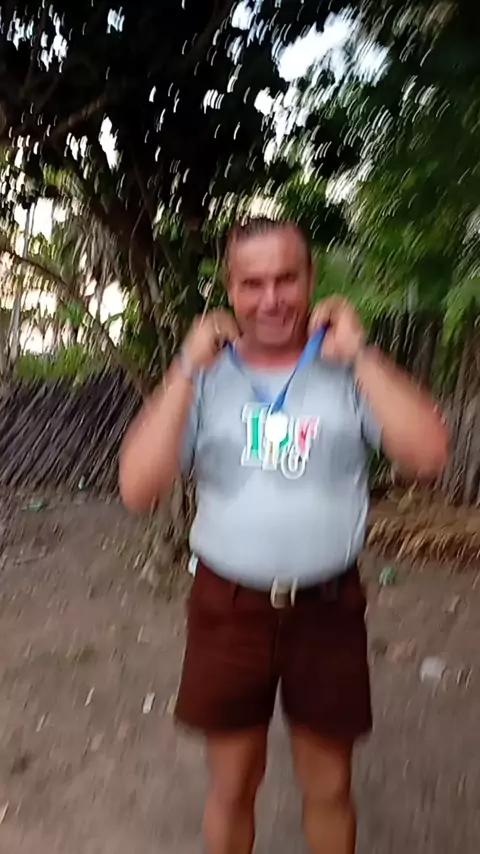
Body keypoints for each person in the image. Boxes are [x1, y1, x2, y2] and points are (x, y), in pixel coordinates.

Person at [119, 217, 448, 854]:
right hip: (229, 608)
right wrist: (185, 366)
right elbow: (138, 489)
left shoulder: (346, 369)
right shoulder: (205, 376)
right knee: (233, 785)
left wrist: (361, 354)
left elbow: (430, 456)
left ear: (311, 279)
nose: (271, 299)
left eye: (286, 279)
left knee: (330, 786)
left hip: (327, 607)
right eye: (253, 283)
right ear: (230, 289)